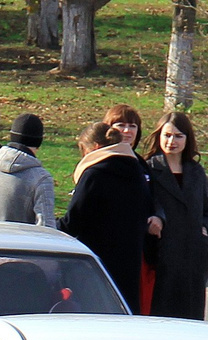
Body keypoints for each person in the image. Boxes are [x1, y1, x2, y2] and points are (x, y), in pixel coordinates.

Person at [60, 107, 157, 312]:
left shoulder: (95, 174)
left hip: (96, 261)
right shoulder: (137, 171)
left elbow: (74, 221)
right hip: (129, 260)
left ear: (94, 147)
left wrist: (50, 227)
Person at [144, 111, 208, 320]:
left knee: (191, 316)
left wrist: (205, 230)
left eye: (178, 136)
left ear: (187, 139)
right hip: (161, 253)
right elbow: (145, 205)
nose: (171, 141)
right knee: (162, 315)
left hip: (193, 255)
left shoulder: (196, 171)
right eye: (167, 135)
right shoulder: (149, 168)